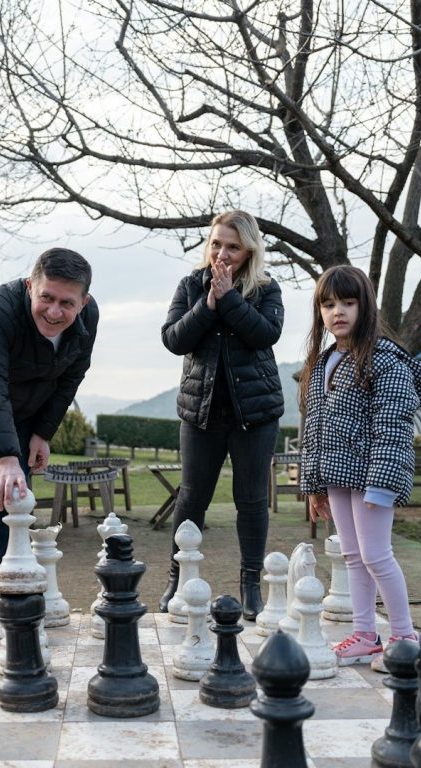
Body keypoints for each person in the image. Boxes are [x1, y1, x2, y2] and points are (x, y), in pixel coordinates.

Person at [300, 264, 421, 670]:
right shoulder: (323, 362)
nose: (337, 311)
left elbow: (392, 427)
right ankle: (365, 635)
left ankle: (405, 638)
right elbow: (315, 429)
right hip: (337, 477)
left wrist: (382, 485)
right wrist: (314, 486)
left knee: (377, 555)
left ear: (365, 306)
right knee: (352, 555)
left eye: (347, 302)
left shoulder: (385, 361)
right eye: (328, 304)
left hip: (372, 478)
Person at [159, 210, 284, 619]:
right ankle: (178, 579)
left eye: (233, 246)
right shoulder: (190, 285)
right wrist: (209, 303)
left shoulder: (266, 289)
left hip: (255, 415)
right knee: (192, 497)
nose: (222, 253)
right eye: (216, 244)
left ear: (249, 251)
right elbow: (174, 339)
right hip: (201, 413)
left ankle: (251, 585)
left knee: (251, 500)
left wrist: (229, 298)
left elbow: (265, 334)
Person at [0, 247, 98, 569]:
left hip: (20, 413)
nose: (54, 312)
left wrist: (43, 432)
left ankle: (8, 589)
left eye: (67, 303)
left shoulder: (89, 318)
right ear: (30, 286)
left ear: (83, 303)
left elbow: (71, 377)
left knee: (13, 503)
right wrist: (5, 458)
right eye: (46, 298)